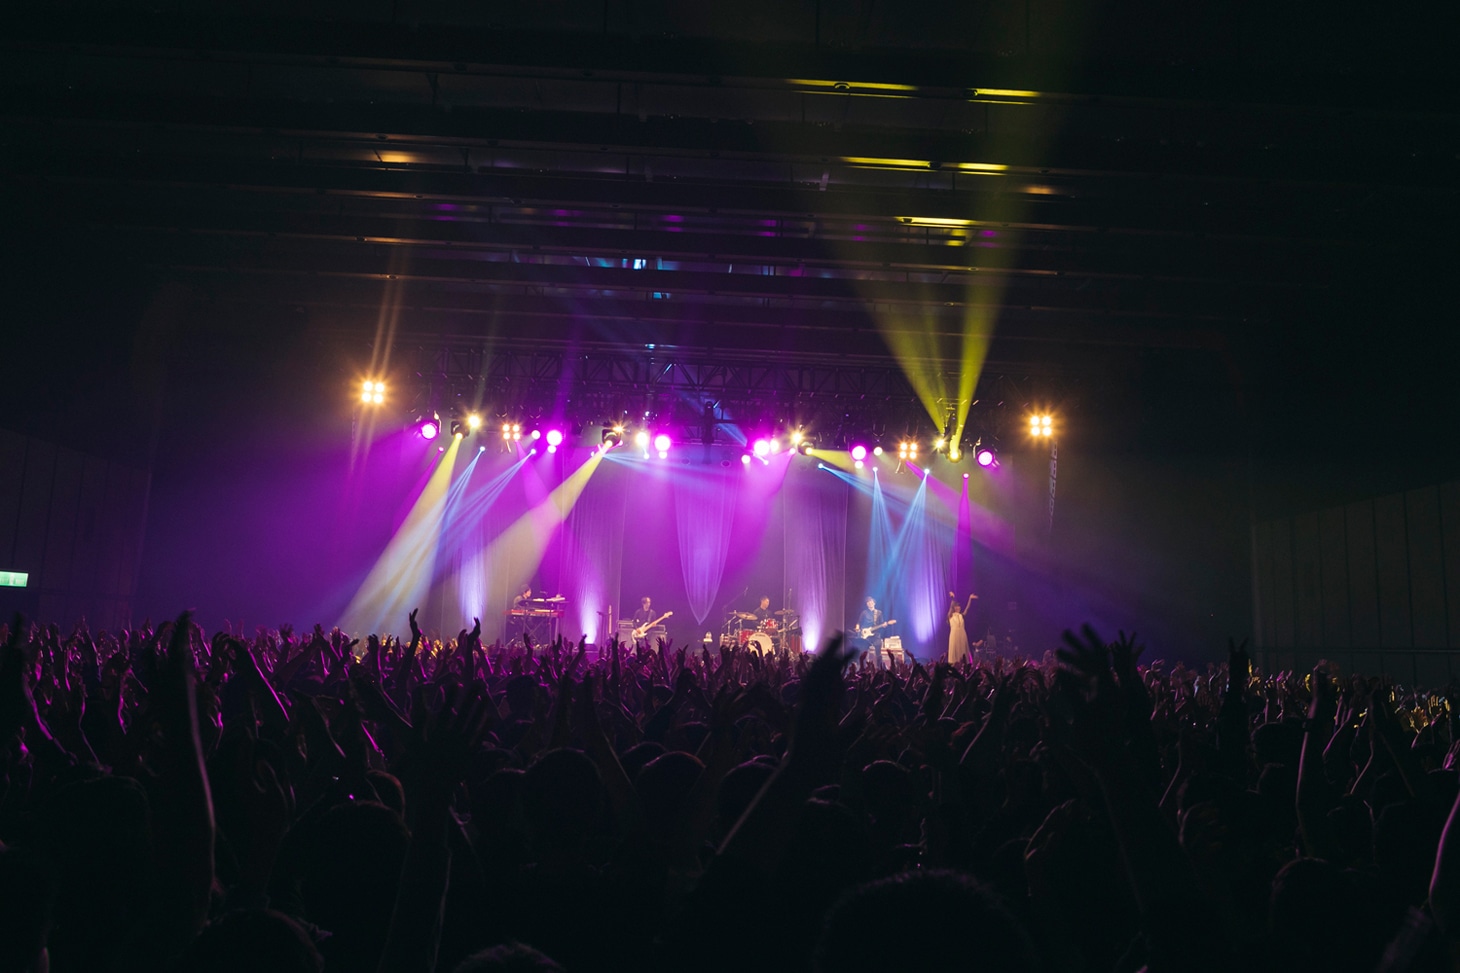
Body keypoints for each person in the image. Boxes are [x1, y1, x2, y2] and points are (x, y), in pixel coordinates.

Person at [947, 592, 977, 664]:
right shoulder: (951, 616)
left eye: (959, 606)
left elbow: (967, 608)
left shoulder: (961, 615)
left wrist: (970, 599)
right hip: (954, 635)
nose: (958, 608)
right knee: (955, 651)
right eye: (956, 606)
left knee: (963, 651)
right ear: (954, 608)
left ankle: (964, 665)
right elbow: (951, 606)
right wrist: (952, 598)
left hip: (962, 635)